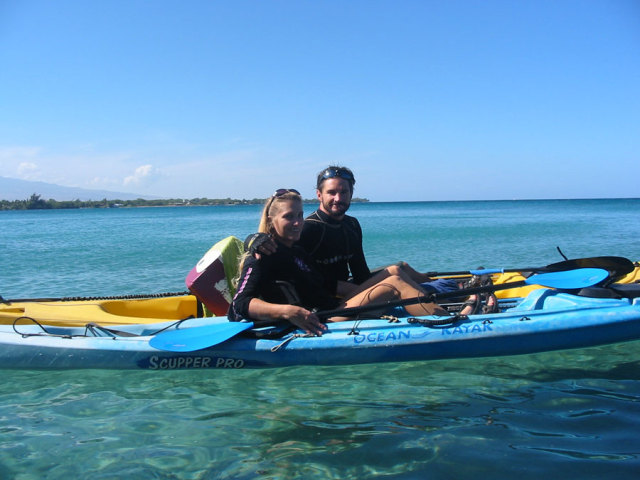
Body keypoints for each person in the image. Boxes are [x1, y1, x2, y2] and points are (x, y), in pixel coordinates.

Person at [229, 189, 448, 335]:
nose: (297, 223)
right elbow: (238, 305)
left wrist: (370, 292)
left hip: (333, 307)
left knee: (395, 273)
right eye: (289, 217)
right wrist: (287, 311)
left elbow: (326, 285)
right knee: (395, 285)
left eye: (300, 215)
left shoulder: (297, 250)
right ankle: (449, 325)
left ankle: (438, 311)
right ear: (271, 220)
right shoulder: (262, 253)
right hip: (322, 319)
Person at [245, 165, 458, 298]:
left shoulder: (352, 224)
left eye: (344, 192)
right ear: (319, 195)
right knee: (394, 275)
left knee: (398, 268)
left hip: (349, 285)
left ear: (351, 193)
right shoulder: (308, 227)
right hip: (329, 293)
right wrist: (253, 239)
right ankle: (438, 295)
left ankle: (442, 289)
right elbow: (275, 245)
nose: (338, 198)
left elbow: (361, 273)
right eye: (332, 192)